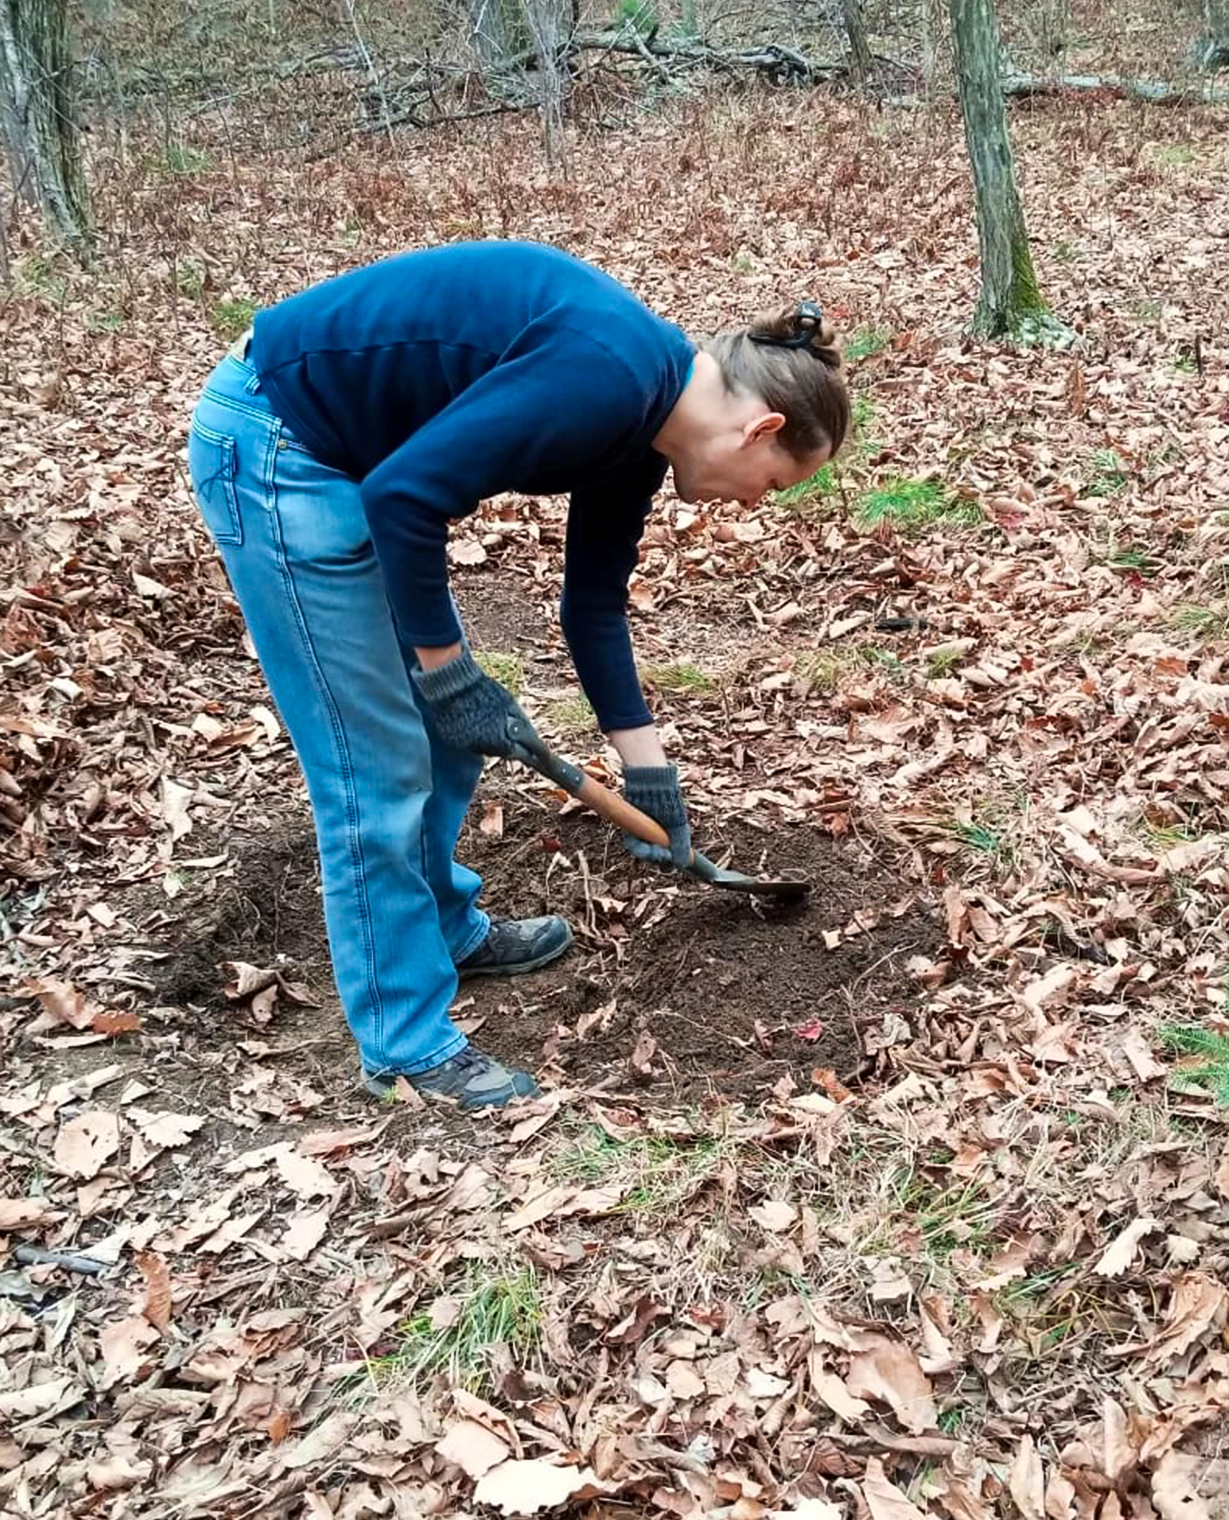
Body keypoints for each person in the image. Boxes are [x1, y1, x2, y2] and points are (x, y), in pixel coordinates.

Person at [187, 239, 851, 1110]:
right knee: (376, 768)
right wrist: (449, 671)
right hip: (280, 445)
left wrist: (648, 774)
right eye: (772, 481)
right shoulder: (608, 374)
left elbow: (593, 609)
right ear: (761, 427)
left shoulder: (644, 427)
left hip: (351, 458)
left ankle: (441, 927)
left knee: (449, 744)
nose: (756, 502)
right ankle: (405, 1045)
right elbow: (403, 498)